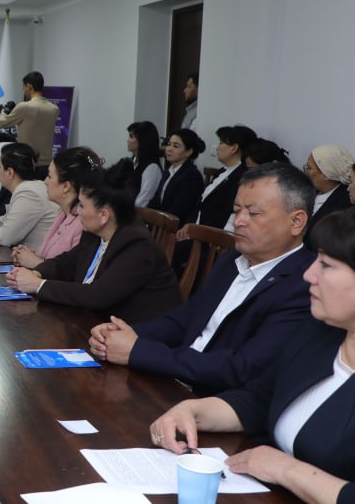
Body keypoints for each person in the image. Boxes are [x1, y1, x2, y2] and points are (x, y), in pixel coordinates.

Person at [149, 200, 355, 504]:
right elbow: (261, 399)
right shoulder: (321, 332)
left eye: (326, 265)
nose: (308, 275)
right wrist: (194, 410)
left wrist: (286, 469)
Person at [90, 163, 317, 393]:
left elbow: (242, 368)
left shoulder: (306, 285)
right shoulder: (231, 260)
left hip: (214, 400)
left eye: (254, 213)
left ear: (296, 222)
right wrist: (123, 335)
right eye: (236, 211)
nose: (238, 221)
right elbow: (184, 320)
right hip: (173, 378)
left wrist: (138, 350)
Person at [8, 180, 182, 323]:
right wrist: (37, 273)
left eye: (82, 206)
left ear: (104, 215)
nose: (77, 211)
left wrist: (38, 285)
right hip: (91, 322)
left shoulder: (137, 246)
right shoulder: (94, 233)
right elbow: (67, 262)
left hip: (137, 335)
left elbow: (98, 295)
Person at [10, 146, 103, 268]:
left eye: (49, 176)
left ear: (65, 186)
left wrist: (36, 263)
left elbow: (75, 274)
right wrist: (27, 257)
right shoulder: (64, 214)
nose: (45, 182)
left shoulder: (84, 223)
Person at [0, 143, 59, 249]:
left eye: (0, 167)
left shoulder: (28, 193)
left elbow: (5, 238)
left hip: (41, 258)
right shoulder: (29, 188)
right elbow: (4, 221)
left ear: (9, 172)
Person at [188, 125, 256, 231]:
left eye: (221, 143)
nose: (217, 148)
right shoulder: (222, 171)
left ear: (234, 148)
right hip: (200, 228)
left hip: (214, 234)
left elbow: (227, 213)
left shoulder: (241, 176)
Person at [0, 71, 58, 166]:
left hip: (29, 164)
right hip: (47, 164)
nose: (23, 90)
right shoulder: (54, 109)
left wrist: (4, 110)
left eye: (24, 87)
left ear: (29, 86)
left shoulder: (24, 107)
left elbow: (3, 122)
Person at [150, 128, 206, 226]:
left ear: (188, 152)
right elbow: (156, 199)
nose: (169, 149)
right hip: (160, 223)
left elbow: (178, 210)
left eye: (176, 146)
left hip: (176, 227)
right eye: (169, 144)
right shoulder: (168, 171)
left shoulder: (192, 176)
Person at [302, 145, 355, 240]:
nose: (306, 172)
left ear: (325, 174)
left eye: (309, 168)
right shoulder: (307, 192)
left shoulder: (344, 205)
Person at [123, 121, 163, 207]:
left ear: (142, 140)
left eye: (131, 137)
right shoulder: (131, 161)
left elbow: (144, 199)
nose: (128, 140)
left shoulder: (152, 167)